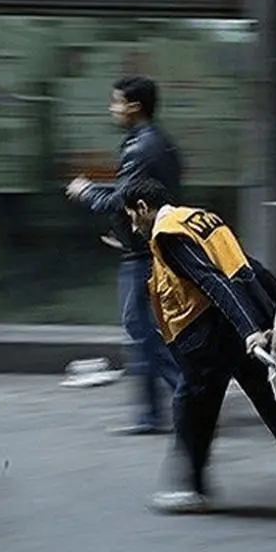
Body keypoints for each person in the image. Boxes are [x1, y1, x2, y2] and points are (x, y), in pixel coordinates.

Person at [120, 176, 276, 516]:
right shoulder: (197, 217)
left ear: (143, 207)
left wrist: (250, 331)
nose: (133, 225)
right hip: (233, 328)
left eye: (131, 216)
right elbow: (246, 267)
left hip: (214, 335)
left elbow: (213, 281)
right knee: (273, 405)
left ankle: (192, 488)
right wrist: (271, 317)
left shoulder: (168, 233)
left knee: (190, 407)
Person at [66, 75, 183, 435]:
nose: (112, 108)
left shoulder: (141, 147)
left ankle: (178, 402)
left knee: (143, 333)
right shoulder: (157, 142)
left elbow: (122, 198)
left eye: (116, 102)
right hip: (148, 246)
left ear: (134, 106)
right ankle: (179, 402)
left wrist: (86, 191)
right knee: (150, 333)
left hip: (145, 254)